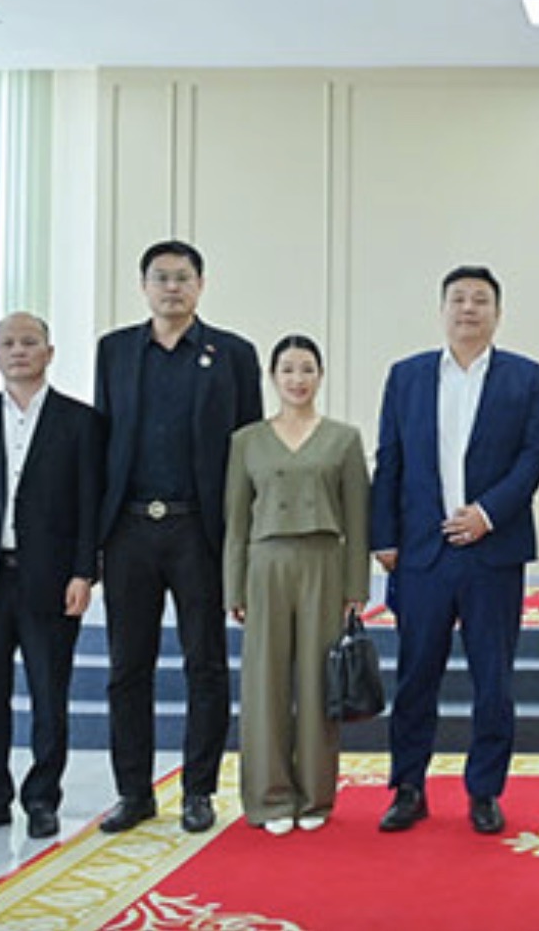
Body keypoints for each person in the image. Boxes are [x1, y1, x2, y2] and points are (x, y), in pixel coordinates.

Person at [372, 265, 539, 835]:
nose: (469, 308)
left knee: (493, 680)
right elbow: (390, 457)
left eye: (480, 300)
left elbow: (534, 455)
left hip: (492, 552)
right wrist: (384, 536)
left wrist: (486, 514)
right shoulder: (407, 376)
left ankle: (485, 791)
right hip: (423, 553)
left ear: (498, 313)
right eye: (458, 299)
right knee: (415, 677)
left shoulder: (525, 377)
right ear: (442, 309)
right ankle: (408, 787)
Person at [95, 240, 262, 835]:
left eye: (183, 277)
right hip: (129, 529)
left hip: (200, 529)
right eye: (161, 278)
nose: (172, 287)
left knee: (205, 665)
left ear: (201, 284)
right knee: (127, 668)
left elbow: (249, 452)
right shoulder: (115, 351)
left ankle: (198, 791)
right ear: (144, 286)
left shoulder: (233, 354)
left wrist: (244, 544)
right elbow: (103, 443)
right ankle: (133, 792)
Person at [0, 312, 101, 840]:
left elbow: (89, 505)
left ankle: (42, 799)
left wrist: (84, 572)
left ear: (49, 353)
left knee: (50, 696)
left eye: (30, 342)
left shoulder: (80, 421)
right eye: (8, 343)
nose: (19, 350)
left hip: (51, 579)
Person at [223, 335, 371, 835]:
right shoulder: (247, 441)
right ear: (273, 377)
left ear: (321, 376)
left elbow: (357, 520)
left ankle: (315, 797)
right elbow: (236, 522)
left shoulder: (343, 439)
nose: (297, 379)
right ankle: (269, 798)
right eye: (287, 369)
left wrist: (356, 587)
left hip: (323, 563)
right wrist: (234, 588)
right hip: (265, 565)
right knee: (264, 684)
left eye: (307, 369)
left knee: (316, 682)